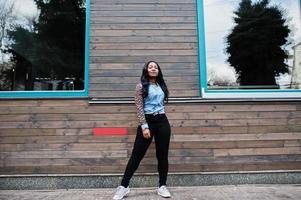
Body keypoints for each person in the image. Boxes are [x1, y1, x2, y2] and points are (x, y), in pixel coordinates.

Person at [113, 61, 172, 200]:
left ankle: (162, 186)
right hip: (148, 122)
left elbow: (160, 104)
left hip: (162, 122)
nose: (153, 68)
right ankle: (124, 187)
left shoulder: (161, 86)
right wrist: (144, 126)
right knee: (136, 155)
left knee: (162, 155)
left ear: (158, 71)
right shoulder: (141, 86)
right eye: (150, 67)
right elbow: (139, 108)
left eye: (156, 67)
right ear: (146, 70)